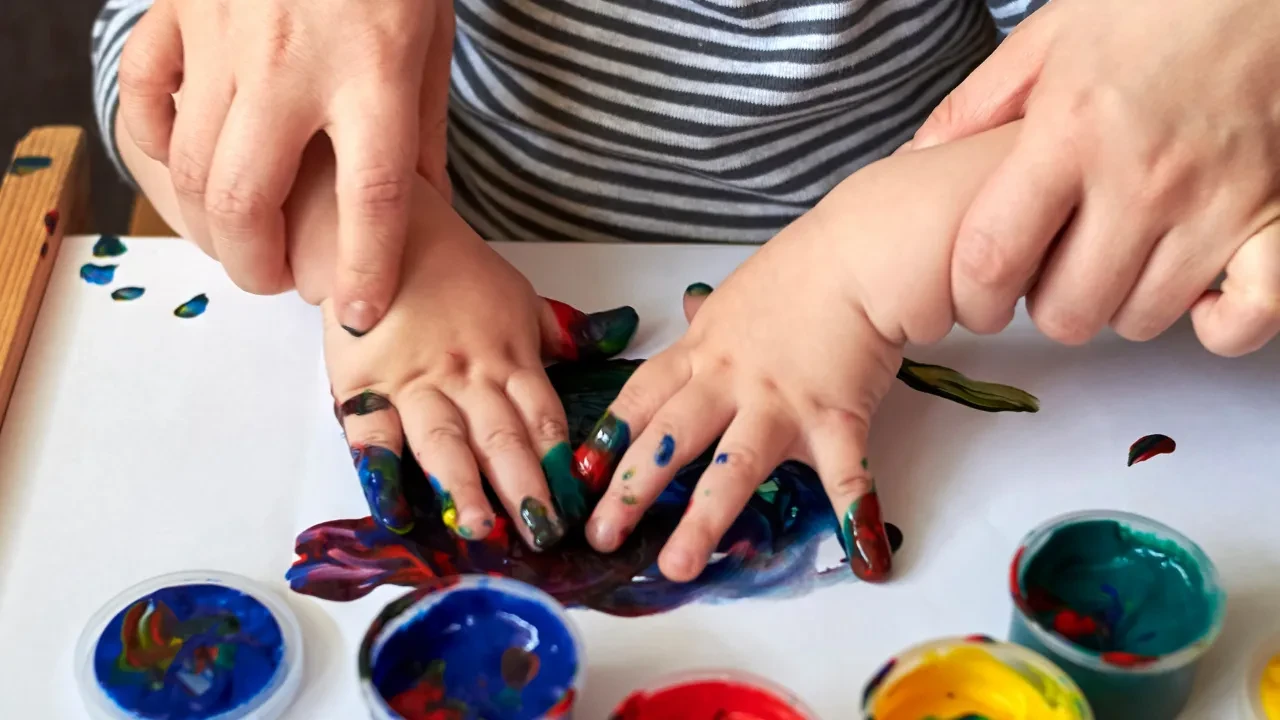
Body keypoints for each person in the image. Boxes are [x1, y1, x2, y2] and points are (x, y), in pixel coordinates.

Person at [92, 0, 1280, 581]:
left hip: (927, 294)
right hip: (463, 249)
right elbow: (153, 48)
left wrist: (865, 266)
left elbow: (1155, 102)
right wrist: (355, 224)